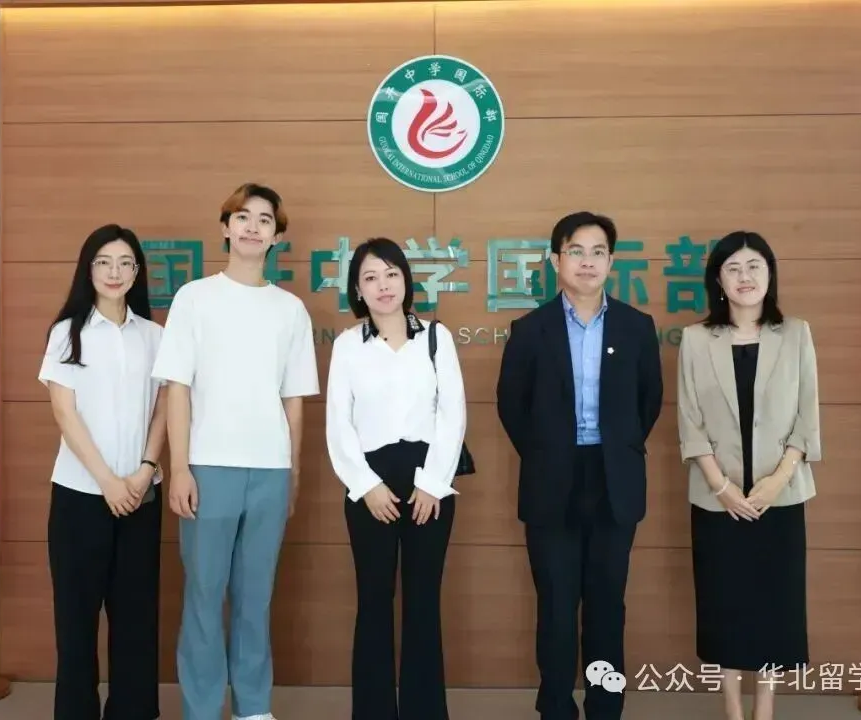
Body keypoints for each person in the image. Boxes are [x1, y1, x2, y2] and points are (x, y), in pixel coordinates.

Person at [151, 183, 319, 720]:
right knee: (204, 595)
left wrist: (293, 474)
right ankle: (202, 708)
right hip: (208, 467)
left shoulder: (290, 310)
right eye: (242, 217)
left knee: (256, 596)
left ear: (276, 236)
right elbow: (177, 388)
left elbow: (294, 401)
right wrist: (180, 468)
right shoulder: (194, 298)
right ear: (225, 228)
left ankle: (253, 707)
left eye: (264, 220)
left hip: (270, 470)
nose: (252, 227)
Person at [496, 211, 662, 720]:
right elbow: (511, 406)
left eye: (597, 252)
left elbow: (648, 402)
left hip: (614, 481)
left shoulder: (636, 327)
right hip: (553, 481)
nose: (587, 262)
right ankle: (555, 708)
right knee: (557, 605)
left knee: (608, 607)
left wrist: (616, 449)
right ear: (556, 260)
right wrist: (547, 453)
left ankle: (605, 708)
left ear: (611, 261)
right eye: (576, 251)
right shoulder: (530, 330)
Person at [676, 230, 819, 720]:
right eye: (733, 268)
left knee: (775, 607)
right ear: (718, 279)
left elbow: (807, 417)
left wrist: (778, 480)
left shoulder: (795, 333)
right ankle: (733, 709)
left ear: (769, 274)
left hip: (781, 495)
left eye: (754, 265)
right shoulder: (696, 339)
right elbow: (690, 422)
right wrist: (722, 487)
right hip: (717, 500)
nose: (744, 276)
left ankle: (765, 708)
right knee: (725, 607)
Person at [325, 237, 467, 720]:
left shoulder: (436, 338)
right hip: (369, 485)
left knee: (423, 603)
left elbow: (452, 415)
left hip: (430, 482)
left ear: (406, 280)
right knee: (373, 602)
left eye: (391, 274)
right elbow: (338, 423)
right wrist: (366, 486)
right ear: (357, 290)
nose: (383, 285)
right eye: (370, 277)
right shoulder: (348, 345)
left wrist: (432, 483)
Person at [39, 223, 167, 720]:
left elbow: (164, 409)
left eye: (125, 263)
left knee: (136, 620)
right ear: (88, 269)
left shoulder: (154, 336)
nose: (115, 272)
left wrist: (145, 469)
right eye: (104, 262)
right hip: (80, 495)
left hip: (141, 495)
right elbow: (64, 413)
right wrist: (108, 482)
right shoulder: (67, 333)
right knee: (76, 621)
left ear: (137, 272)